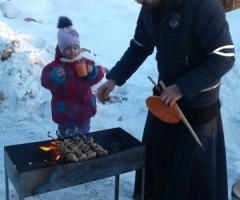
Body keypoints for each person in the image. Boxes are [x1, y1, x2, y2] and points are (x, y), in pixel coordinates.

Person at [97, 0, 235, 199]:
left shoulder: (204, 6)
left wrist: (182, 87)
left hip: (197, 109)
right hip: (164, 102)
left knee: (192, 181)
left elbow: (224, 57)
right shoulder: (149, 7)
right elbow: (139, 47)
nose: (138, 1)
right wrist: (114, 78)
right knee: (158, 171)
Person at [41, 16, 104, 138]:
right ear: (61, 49)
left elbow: (98, 75)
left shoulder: (85, 62)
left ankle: (85, 153)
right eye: (68, 48)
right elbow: (45, 80)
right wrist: (54, 76)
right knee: (67, 139)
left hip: (85, 109)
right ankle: (66, 152)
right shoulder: (55, 66)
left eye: (75, 48)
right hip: (65, 112)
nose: (72, 51)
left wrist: (93, 72)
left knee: (84, 136)